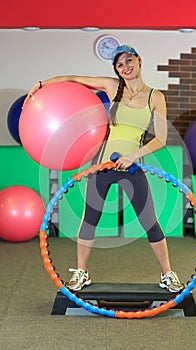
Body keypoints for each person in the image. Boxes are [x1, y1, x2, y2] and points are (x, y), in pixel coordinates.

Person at [26, 44, 184, 293]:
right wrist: (41, 84)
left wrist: (133, 157)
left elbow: (160, 139)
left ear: (139, 60)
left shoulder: (156, 97)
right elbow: (73, 79)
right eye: (120, 64)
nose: (126, 67)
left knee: (150, 222)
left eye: (129, 61)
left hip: (132, 167)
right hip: (102, 166)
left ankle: (168, 274)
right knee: (90, 220)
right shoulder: (113, 87)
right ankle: (81, 273)